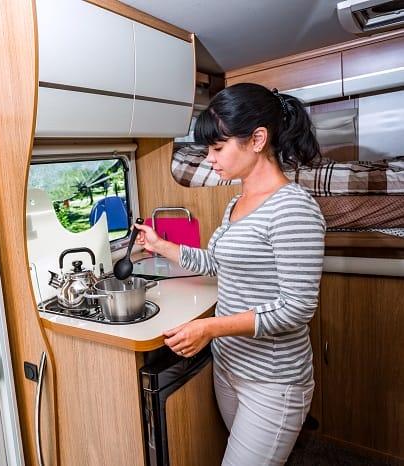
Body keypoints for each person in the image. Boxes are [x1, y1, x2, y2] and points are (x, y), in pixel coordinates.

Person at [135, 83, 325, 466]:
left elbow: (296, 309)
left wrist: (209, 329)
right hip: (230, 367)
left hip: (272, 381)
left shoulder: (293, 209)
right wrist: (161, 246)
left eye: (218, 148)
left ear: (257, 139)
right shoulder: (237, 202)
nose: (210, 159)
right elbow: (218, 263)